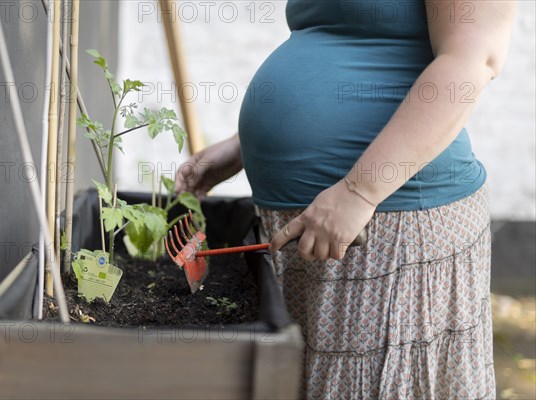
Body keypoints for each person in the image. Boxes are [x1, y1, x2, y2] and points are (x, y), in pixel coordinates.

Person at [175, 1, 515, 398]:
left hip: (387, 227)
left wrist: (359, 191)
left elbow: (473, 60)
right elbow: (337, 37)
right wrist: (240, 148)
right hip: (319, 225)